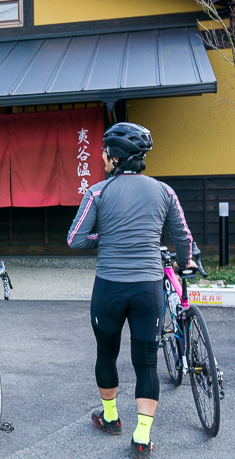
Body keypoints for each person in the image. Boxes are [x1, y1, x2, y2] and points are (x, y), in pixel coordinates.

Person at [67, 122, 194, 458]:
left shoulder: (97, 192)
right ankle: (142, 436)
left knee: (106, 352)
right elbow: (183, 238)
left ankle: (110, 418)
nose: (102, 157)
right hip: (147, 288)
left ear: (115, 157)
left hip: (109, 287)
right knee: (147, 361)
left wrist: (103, 238)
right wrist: (185, 263)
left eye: (105, 152)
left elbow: (75, 239)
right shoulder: (165, 192)